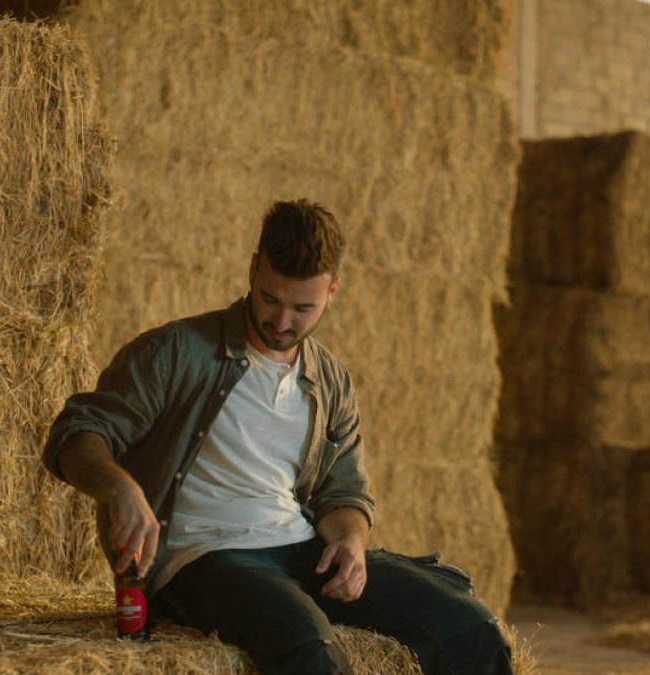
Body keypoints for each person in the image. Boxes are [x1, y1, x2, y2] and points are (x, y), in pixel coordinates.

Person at [42, 199, 512, 674]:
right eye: (270, 299)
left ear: (333, 290)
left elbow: (343, 493)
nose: (282, 322)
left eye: (303, 308)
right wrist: (118, 487)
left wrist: (350, 542)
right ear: (252, 269)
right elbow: (78, 433)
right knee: (307, 642)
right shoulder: (175, 352)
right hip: (205, 557)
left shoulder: (330, 381)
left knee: (469, 628)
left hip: (298, 548)